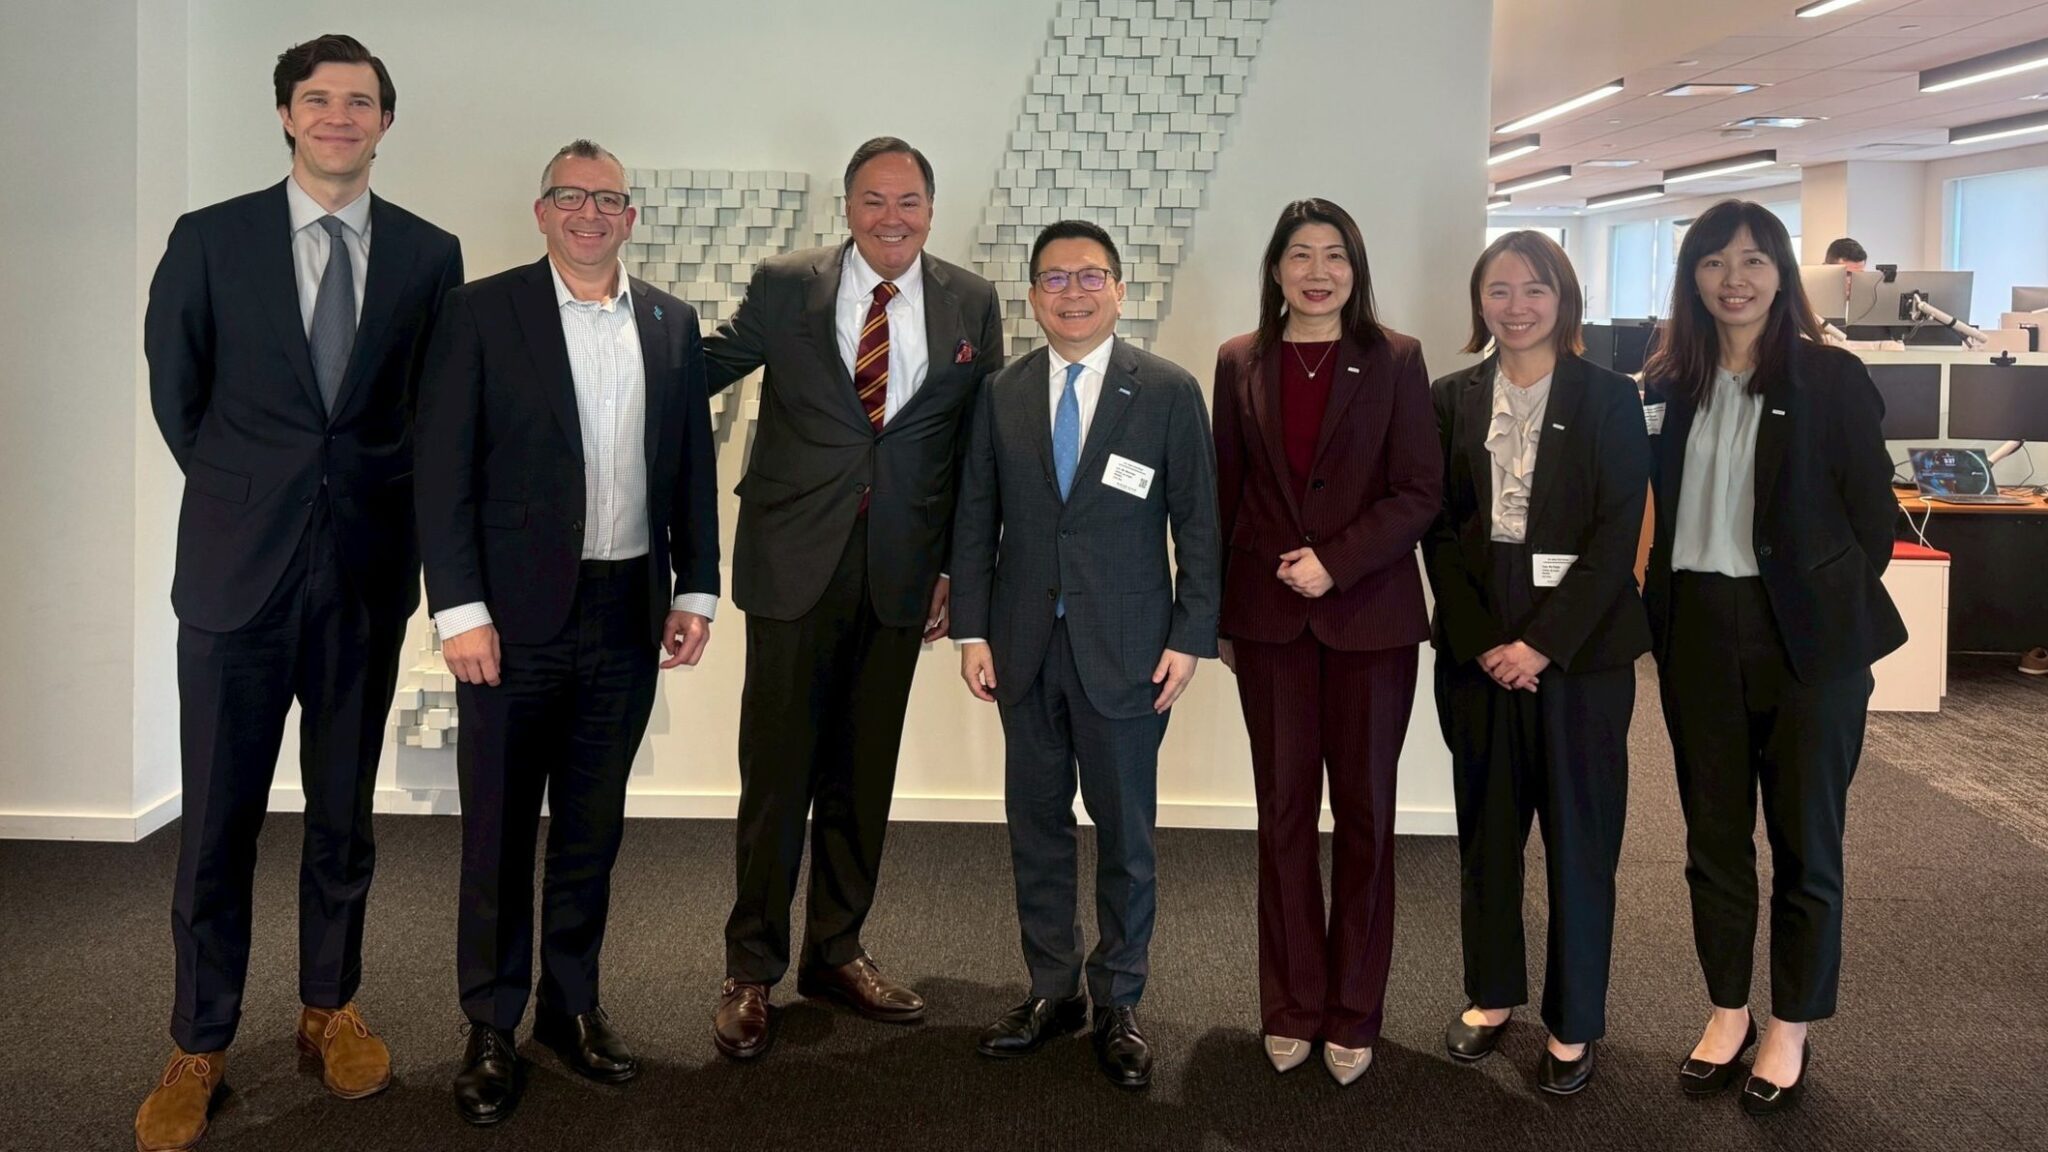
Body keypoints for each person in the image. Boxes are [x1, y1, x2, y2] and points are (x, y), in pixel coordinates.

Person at [137, 33, 462, 1152]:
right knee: (216, 822)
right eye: (317, 99)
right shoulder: (211, 238)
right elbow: (178, 393)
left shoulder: (428, 254)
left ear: (384, 122)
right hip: (235, 574)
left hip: (363, 574)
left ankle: (329, 1008)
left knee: (341, 813)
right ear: (285, 114)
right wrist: (252, 491)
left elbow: (431, 411)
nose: (337, 117)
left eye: (359, 101)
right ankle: (200, 1040)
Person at [415, 140, 720, 1125]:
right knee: (499, 830)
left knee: (592, 826)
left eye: (608, 199)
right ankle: (491, 1022)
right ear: (542, 210)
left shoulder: (670, 323)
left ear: (630, 217)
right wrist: (459, 609)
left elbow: (690, 465)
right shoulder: (479, 312)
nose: (590, 213)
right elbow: (442, 470)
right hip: (509, 620)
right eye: (570, 196)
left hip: (627, 611)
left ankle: (570, 1005)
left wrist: (697, 587)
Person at [701, 137, 1005, 1060]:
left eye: (909, 201)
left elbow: (976, 449)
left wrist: (958, 569)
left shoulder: (971, 300)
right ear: (847, 208)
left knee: (863, 772)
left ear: (931, 209)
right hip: (795, 559)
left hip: (901, 570)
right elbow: (704, 365)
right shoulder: (786, 284)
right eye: (874, 200)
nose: (891, 218)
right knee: (776, 774)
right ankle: (751, 968)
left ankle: (836, 950)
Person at [1642, 200, 1904, 1115]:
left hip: (1806, 642)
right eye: (1714, 262)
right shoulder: (1668, 382)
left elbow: (1873, 518)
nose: (1734, 279)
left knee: (1805, 841)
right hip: (1696, 631)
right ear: (1693, 278)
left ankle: (1790, 1023)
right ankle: (1727, 1011)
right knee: (1712, 838)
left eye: (1754, 260)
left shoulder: (1830, 377)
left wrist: (1815, 599)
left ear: (1783, 273)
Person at [951, 220, 1220, 1089]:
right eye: (1055, 279)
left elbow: (1199, 525)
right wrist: (972, 630)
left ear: (1119, 288)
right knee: (1036, 828)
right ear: (1033, 296)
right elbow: (975, 517)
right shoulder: (1001, 393)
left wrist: (1190, 636)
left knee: (1126, 837)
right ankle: (1051, 989)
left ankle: (1119, 1001)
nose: (1073, 292)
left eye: (1090, 276)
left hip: (1130, 653)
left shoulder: (1168, 390)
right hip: (1023, 650)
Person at [1210, 199, 1441, 1085]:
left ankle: (1353, 1010)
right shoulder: (1240, 360)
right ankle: (1291, 1005)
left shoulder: (1396, 359)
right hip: (1267, 624)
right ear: (1275, 269)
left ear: (1356, 268)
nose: (1317, 272)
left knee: (1367, 818)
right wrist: (1216, 616)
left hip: (1370, 622)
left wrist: (1335, 564)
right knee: (1282, 817)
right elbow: (1225, 493)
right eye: (1300, 255)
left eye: (1334, 255)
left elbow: (1418, 491)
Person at [1422, 231, 1650, 1095]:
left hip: (1582, 654)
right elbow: (1438, 528)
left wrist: (1543, 644)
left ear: (1565, 299)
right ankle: (1491, 995)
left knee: (1581, 840)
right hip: (1478, 651)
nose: (1516, 307)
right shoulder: (1450, 398)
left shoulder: (1609, 397)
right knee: (1488, 833)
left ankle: (1574, 1017)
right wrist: (1487, 641)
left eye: (1535, 289)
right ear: (1479, 302)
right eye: (1499, 290)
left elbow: (1617, 533)